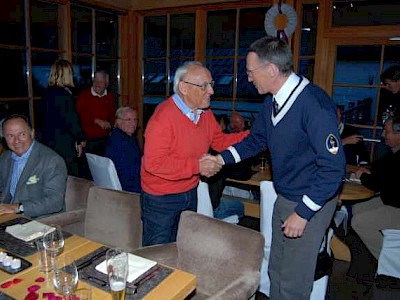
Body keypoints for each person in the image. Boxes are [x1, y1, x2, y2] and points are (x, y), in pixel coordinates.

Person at [215, 36, 345, 299]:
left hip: (310, 200)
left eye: (251, 72)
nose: (249, 79)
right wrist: (221, 159)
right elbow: (256, 140)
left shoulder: (314, 106)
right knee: (275, 268)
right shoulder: (272, 101)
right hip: (285, 194)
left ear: (271, 70)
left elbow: (333, 169)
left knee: (294, 279)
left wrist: (304, 213)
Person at [141, 61, 248, 246]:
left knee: (183, 245)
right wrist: (197, 166)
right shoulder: (163, 118)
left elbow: (219, 141)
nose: (211, 91)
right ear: (183, 87)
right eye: (204, 86)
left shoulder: (204, 113)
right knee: (157, 253)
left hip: (189, 191)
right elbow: (154, 164)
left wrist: (254, 136)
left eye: (211, 85)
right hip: (161, 198)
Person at [0, 115, 67, 218]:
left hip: (38, 221)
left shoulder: (51, 160)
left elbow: (55, 202)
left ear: (32, 133)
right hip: (7, 215)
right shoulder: (6, 157)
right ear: (4, 138)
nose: (17, 140)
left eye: (22, 134)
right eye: (10, 136)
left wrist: (17, 207)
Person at [352, 116, 400, 259]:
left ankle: (388, 261)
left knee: (358, 222)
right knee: (358, 208)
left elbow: (380, 183)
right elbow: (381, 167)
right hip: (391, 201)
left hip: (397, 206)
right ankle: (387, 246)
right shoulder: (395, 151)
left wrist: (363, 176)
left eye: (387, 131)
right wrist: (367, 169)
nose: (383, 135)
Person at [41, 59, 86, 176]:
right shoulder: (64, 95)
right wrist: (80, 139)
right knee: (70, 179)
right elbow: (71, 121)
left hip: (49, 143)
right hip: (64, 144)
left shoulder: (47, 93)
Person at [76, 70, 116, 155]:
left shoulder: (110, 96)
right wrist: (97, 121)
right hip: (87, 140)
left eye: (101, 82)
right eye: (95, 81)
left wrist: (111, 125)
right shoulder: (84, 95)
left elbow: (113, 116)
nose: (97, 85)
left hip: (104, 139)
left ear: (106, 84)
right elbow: (79, 115)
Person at [105, 107, 141, 193]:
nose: (133, 123)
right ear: (118, 122)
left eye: (135, 119)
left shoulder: (125, 137)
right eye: (128, 119)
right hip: (130, 188)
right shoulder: (120, 142)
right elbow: (127, 173)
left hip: (131, 181)